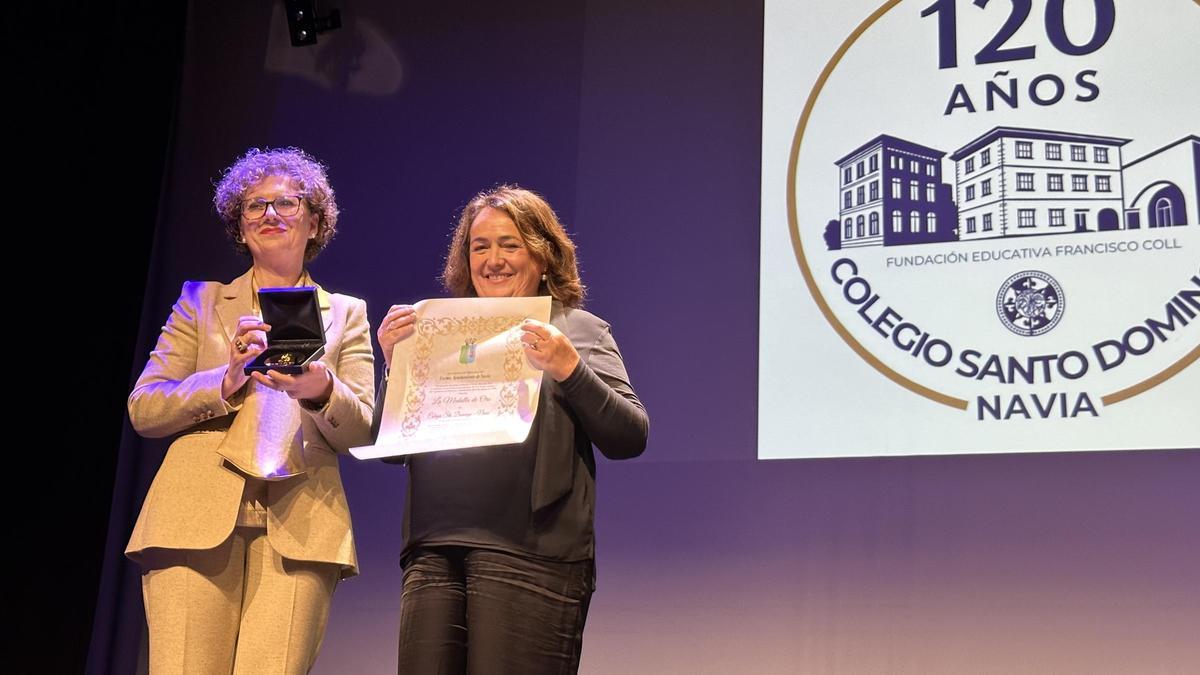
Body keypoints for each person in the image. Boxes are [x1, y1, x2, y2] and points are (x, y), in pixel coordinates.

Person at [376, 185, 648, 674]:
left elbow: (630, 436)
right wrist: (396, 367)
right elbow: (393, 447)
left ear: (543, 256)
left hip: (532, 553)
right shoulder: (439, 332)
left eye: (510, 245)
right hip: (434, 549)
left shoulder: (577, 330)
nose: (493, 260)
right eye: (480, 246)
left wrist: (571, 370)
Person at [126, 147, 374, 674]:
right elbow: (145, 408)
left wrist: (322, 387)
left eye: (286, 202)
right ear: (239, 226)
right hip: (192, 516)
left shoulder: (346, 313)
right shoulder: (200, 301)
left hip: (303, 525)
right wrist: (226, 378)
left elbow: (362, 429)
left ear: (315, 221)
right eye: (254, 205)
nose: (269, 214)